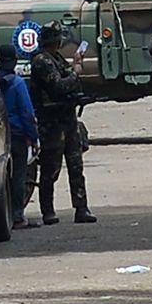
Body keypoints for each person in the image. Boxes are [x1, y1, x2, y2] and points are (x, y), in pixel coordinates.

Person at [30, 21, 96, 225]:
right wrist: (76, 72)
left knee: (76, 166)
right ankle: (48, 211)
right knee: (51, 168)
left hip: (67, 119)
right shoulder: (42, 61)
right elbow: (58, 86)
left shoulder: (55, 58)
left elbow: (67, 78)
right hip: (52, 123)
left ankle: (81, 208)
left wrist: (75, 66)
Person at [0, 44, 40, 229]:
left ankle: (3, 216)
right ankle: (17, 217)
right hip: (17, 136)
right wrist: (34, 137)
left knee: (2, 177)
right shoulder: (17, 83)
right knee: (19, 175)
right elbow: (26, 113)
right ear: (14, 61)